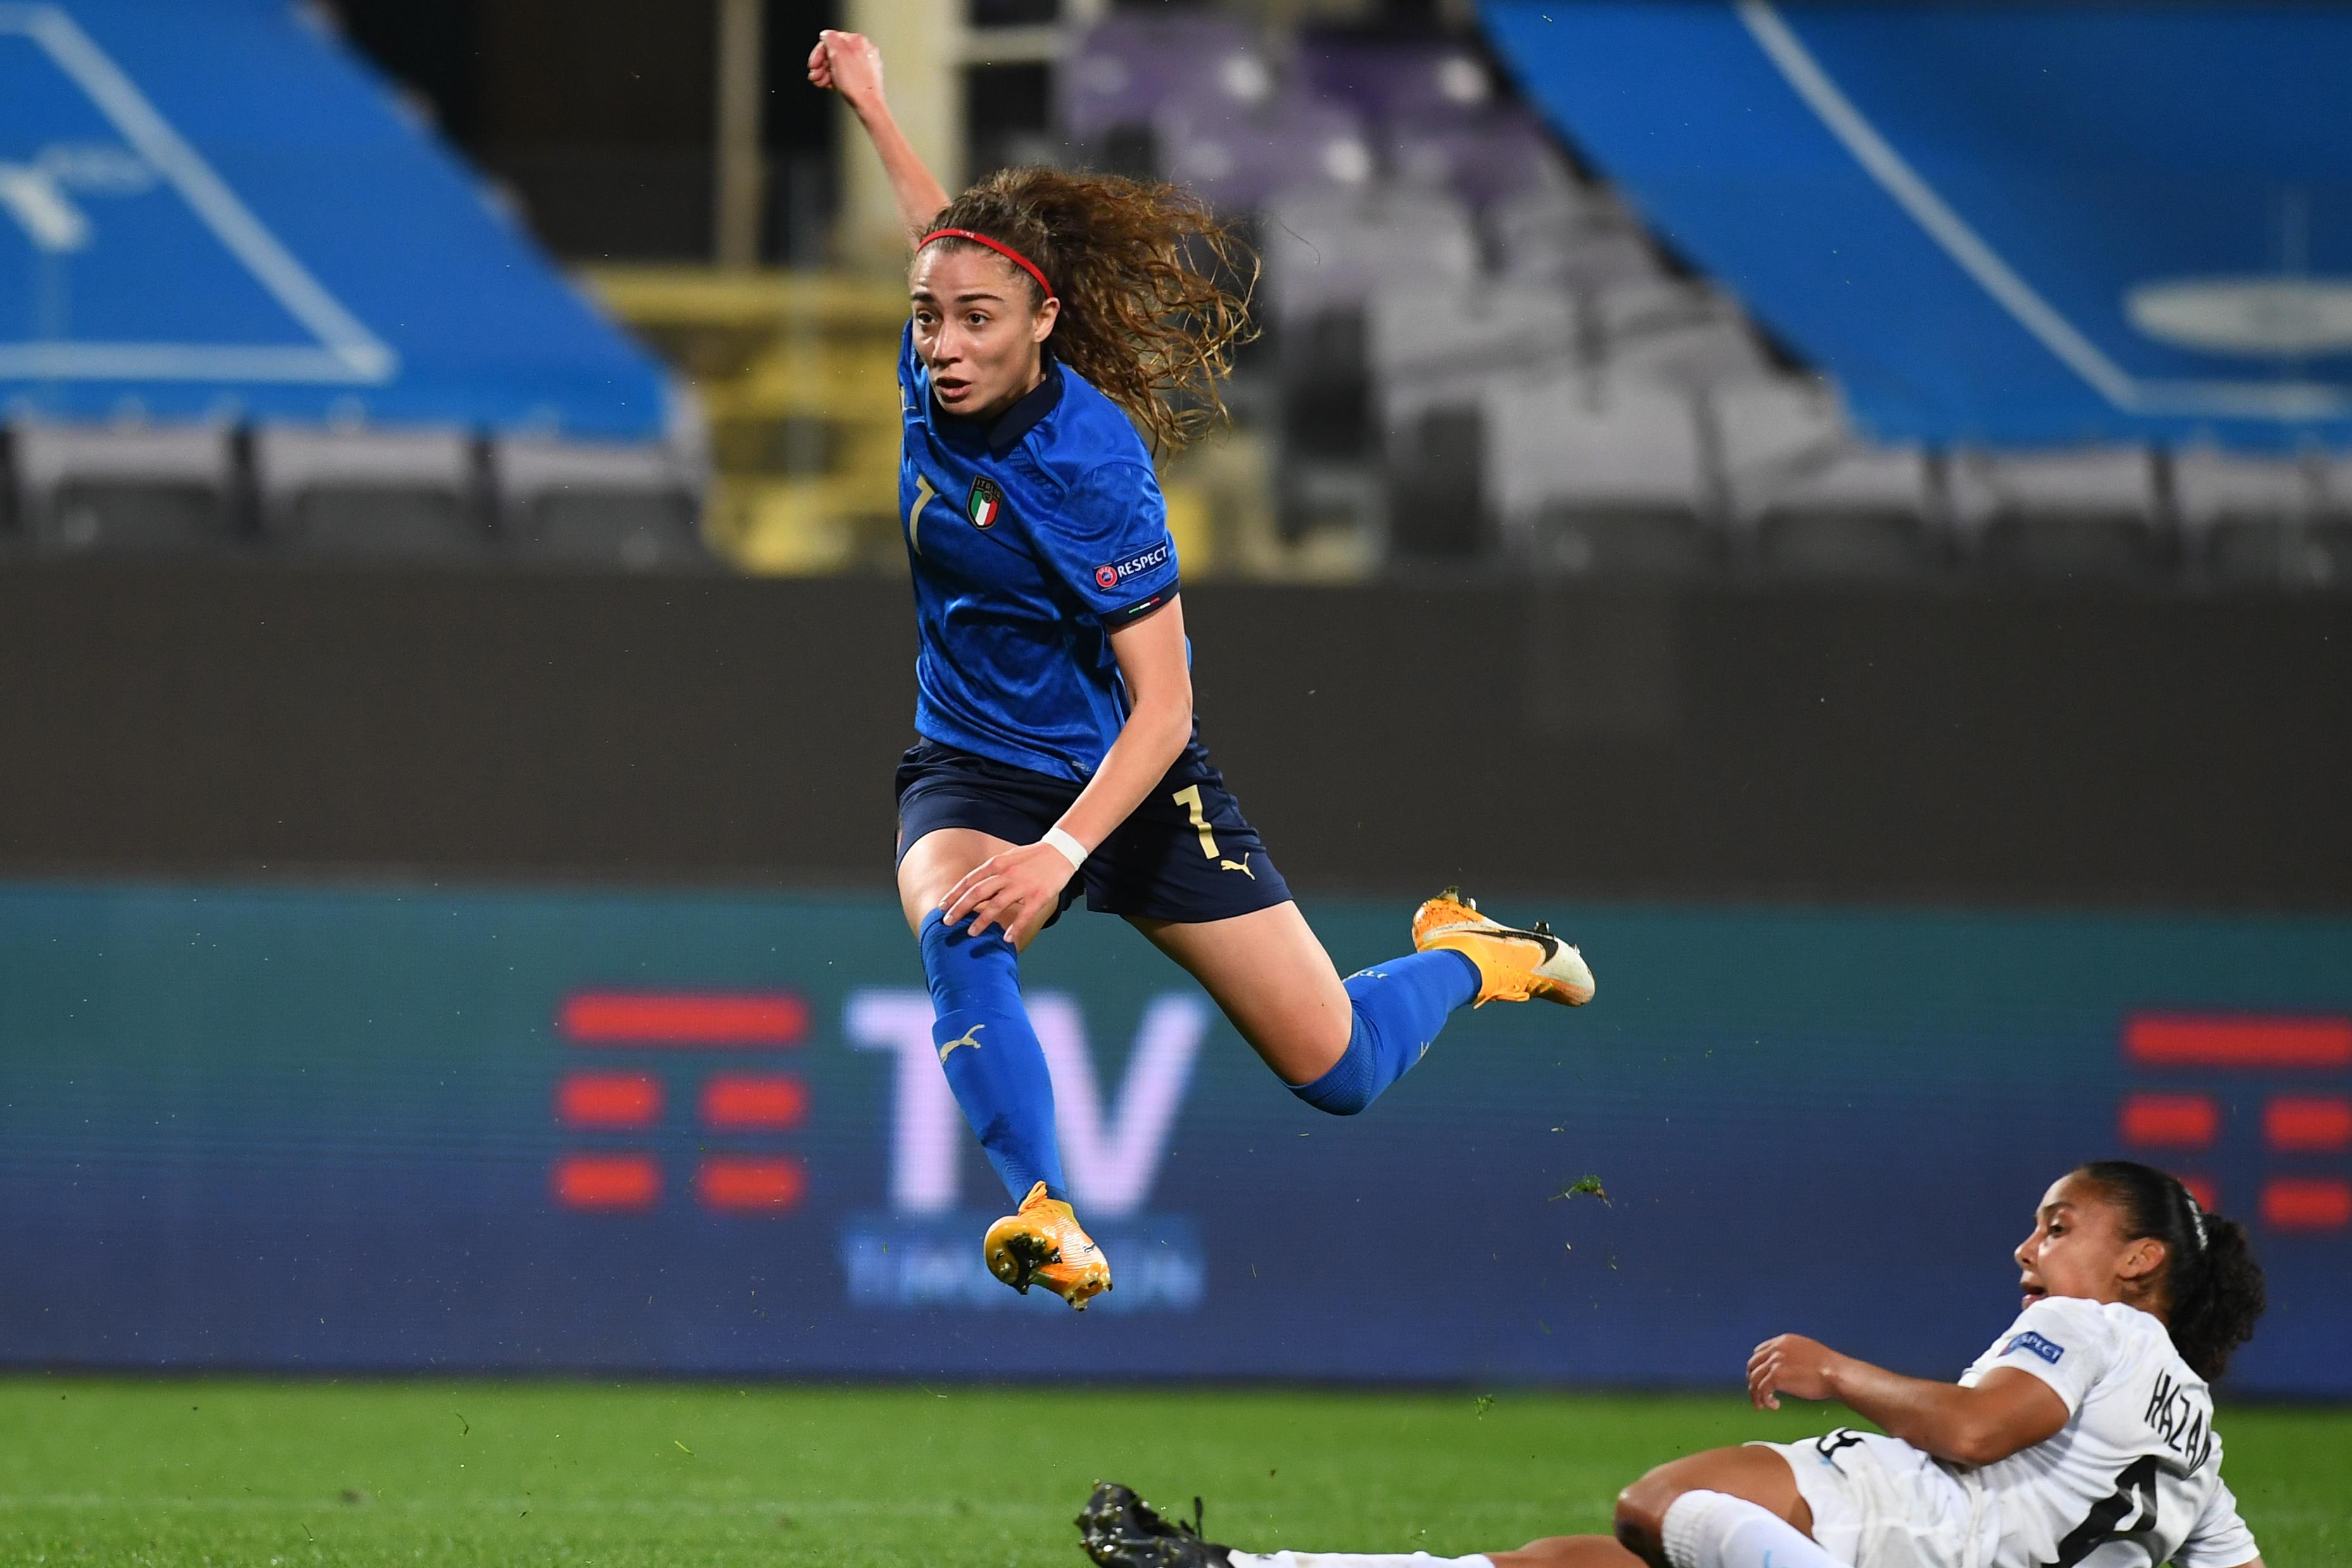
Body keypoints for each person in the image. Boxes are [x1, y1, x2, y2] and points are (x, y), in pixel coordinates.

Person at [807, 29, 1594, 1310]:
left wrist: (1061, 853)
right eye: (928, 317)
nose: (942, 344)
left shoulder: (1089, 466)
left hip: (1132, 774)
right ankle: (1045, 1209)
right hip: (974, 763)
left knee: (1335, 1066)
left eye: (975, 321)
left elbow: (1168, 703)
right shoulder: (936, 357)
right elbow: (942, 240)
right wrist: (877, 108)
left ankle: (1476, 953)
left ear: (1044, 323)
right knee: (959, 921)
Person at [1079, 1160, 2268, 1568]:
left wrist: (1835, 1368)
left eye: (2061, 1226)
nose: (2029, 1245)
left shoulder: (2098, 1329)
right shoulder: (2198, 1439)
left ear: (2138, 1261)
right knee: (1562, 1563)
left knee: (1662, 1506)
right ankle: (1239, 1562)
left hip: (1887, 1524)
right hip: (1891, 1534)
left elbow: (1968, 1431)